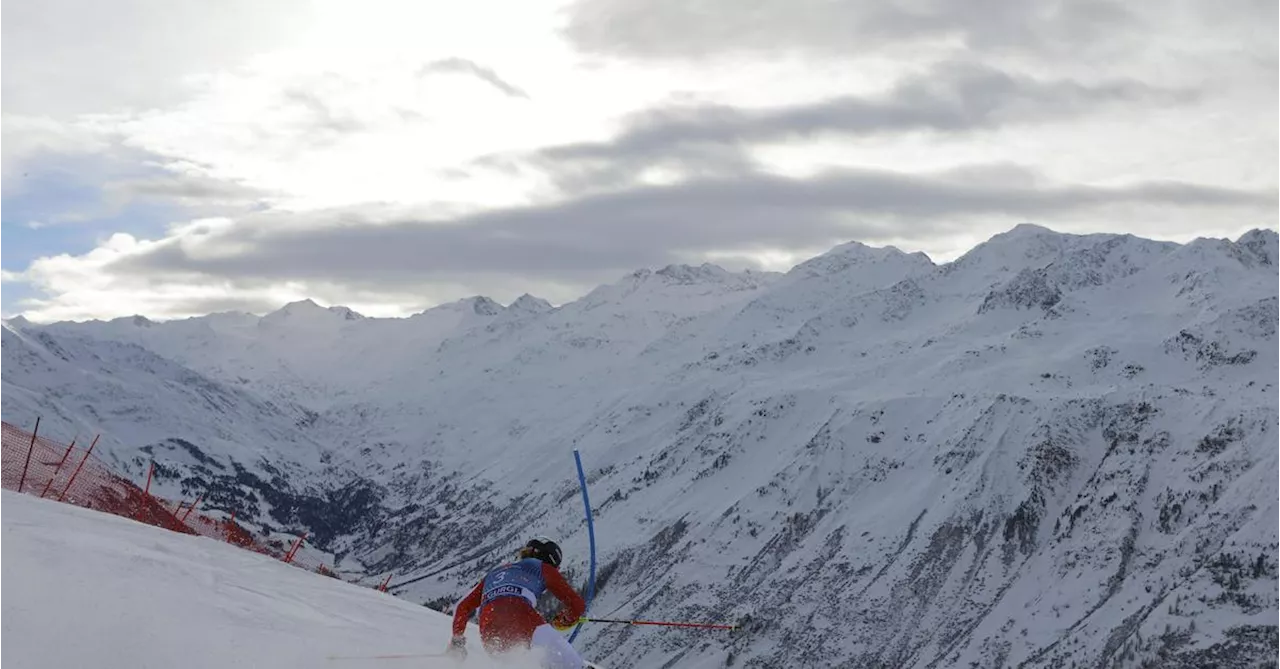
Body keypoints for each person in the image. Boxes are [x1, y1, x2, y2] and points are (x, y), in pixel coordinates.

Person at [448, 536, 588, 668]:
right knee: (573, 665)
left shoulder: (495, 572)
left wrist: (457, 640)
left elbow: (463, 607)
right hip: (521, 615)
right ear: (550, 560)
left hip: (488, 628)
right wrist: (564, 620)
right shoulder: (543, 568)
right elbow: (577, 605)